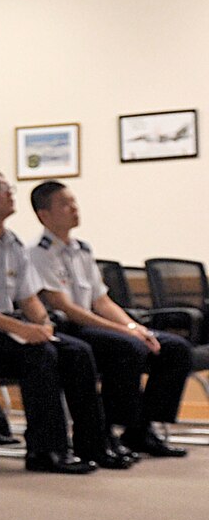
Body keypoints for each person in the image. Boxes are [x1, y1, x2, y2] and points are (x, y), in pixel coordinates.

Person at [0, 170, 124, 473]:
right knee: (39, 354)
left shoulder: (13, 243)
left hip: (1, 326)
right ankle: (45, 452)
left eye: (9, 187)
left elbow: (28, 298)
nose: (9, 193)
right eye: (0, 189)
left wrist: (45, 326)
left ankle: (93, 445)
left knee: (75, 351)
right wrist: (23, 330)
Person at [28, 181, 190, 458]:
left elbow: (101, 300)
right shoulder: (38, 253)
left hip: (95, 323)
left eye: (74, 201)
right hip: (69, 328)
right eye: (65, 204)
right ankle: (107, 429)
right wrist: (125, 332)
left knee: (174, 348)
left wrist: (134, 327)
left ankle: (141, 429)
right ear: (44, 214)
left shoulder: (82, 249)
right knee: (128, 348)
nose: (74, 208)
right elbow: (64, 307)